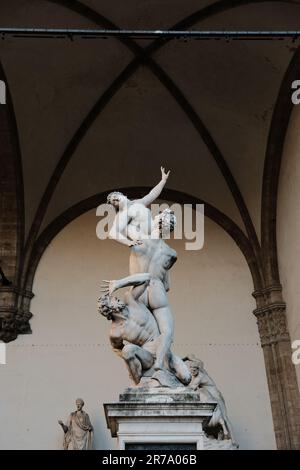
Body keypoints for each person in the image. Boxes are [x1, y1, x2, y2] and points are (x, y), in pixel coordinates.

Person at [98, 272, 191, 386]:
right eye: (112, 299)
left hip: (163, 347)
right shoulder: (115, 332)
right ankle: (139, 385)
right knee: (128, 350)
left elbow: (147, 278)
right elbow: (117, 349)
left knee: (187, 378)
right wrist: (132, 363)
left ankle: (160, 366)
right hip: (146, 355)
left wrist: (119, 283)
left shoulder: (130, 300)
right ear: (109, 309)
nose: (116, 298)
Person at [107, 166, 170, 247]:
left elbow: (152, 194)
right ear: (115, 206)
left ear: (123, 195)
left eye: (115, 197)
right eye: (113, 202)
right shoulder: (122, 214)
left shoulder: (137, 202)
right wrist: (128, 242)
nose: (115, 200)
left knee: (167, 214)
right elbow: (112, 233)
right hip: (144, 240)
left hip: (154, 232)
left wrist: (163, 180)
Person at [184, 355, 237, 446]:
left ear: (198, 369)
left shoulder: (199, 376)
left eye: (195, 369)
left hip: (215, 395)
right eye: (191, 369)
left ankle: (233, 440)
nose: (193, 371)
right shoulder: (198, 369)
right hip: (210, 393)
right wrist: (185, 358)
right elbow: (196, 360)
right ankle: (221, 435)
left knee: (224, 417)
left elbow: (191, 388)